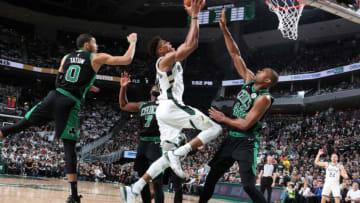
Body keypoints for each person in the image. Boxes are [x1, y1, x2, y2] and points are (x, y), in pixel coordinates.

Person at [0, 32, 138, 203]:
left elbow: (60, 80)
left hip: (54, 95)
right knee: (69, 148)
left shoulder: (66, 57)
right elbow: (127, 59)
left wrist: (87, 84)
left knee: (20, 125)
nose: (97, 47)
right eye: (94, 43)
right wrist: (133, 42)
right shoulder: (95, 57)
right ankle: (73, 195)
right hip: (69, 103)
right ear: (87, 45)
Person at [120, 0, 223, 202]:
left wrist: (194, 18)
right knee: (215, 129)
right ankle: (179, 154)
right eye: (165, 44)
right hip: (171, 107)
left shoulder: (170, 61)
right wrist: (194, 15)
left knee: (165, 159)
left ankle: (134, 189)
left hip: (164, 113)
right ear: (160, 51)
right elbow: (191, 45)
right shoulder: (164, 61)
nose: (169, 43)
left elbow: (188, 44)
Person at [198, 8, 278, 203]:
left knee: (249, 186)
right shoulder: (249, 79)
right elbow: (235, 54)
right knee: (211, 178)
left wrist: (223, 118)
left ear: (266, 81)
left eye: (263, 71)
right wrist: (224, 29)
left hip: (246, 143)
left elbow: (244, 124)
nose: (258, 70)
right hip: (231, 140)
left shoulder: (264, 98)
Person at [119, 72, 164, 203]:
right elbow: (123, 105)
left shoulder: (166, 105)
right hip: (143, 144)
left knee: (156, 181)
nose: (157, 87)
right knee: (142, 179)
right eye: (155, 87)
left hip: (156, 143)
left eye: (159, 87)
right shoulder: (142, 104)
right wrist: (123, 87)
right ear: (150, 91)